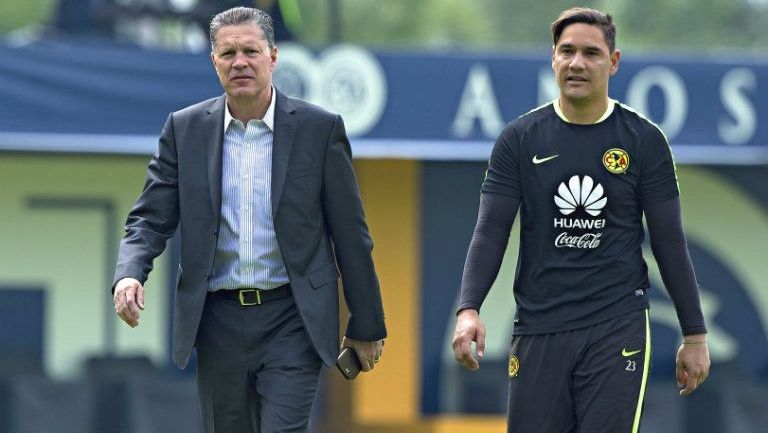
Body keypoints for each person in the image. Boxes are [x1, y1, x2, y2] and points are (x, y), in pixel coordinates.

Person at [111, 7, 386, 433]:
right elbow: (149, 217)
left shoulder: (320, 129)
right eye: (229, 53)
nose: (240, 61)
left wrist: (366, 323)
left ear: (273, 57)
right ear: (213, 61)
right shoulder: (184, 130)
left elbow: (351, 234)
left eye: (251, 51)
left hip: (292, 318)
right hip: (217, 319)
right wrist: (130, 274)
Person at [451, 7, 710, 433]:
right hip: (538, 326)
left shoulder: (644, 141)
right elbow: (491, 230)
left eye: (591, 53)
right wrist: (468, 309)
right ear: (552, 57)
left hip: (617, 325)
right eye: (567, 51)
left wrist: (695, 336)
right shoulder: (519, 139)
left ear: (614, 61)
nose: (577, 63)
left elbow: (669, 240)